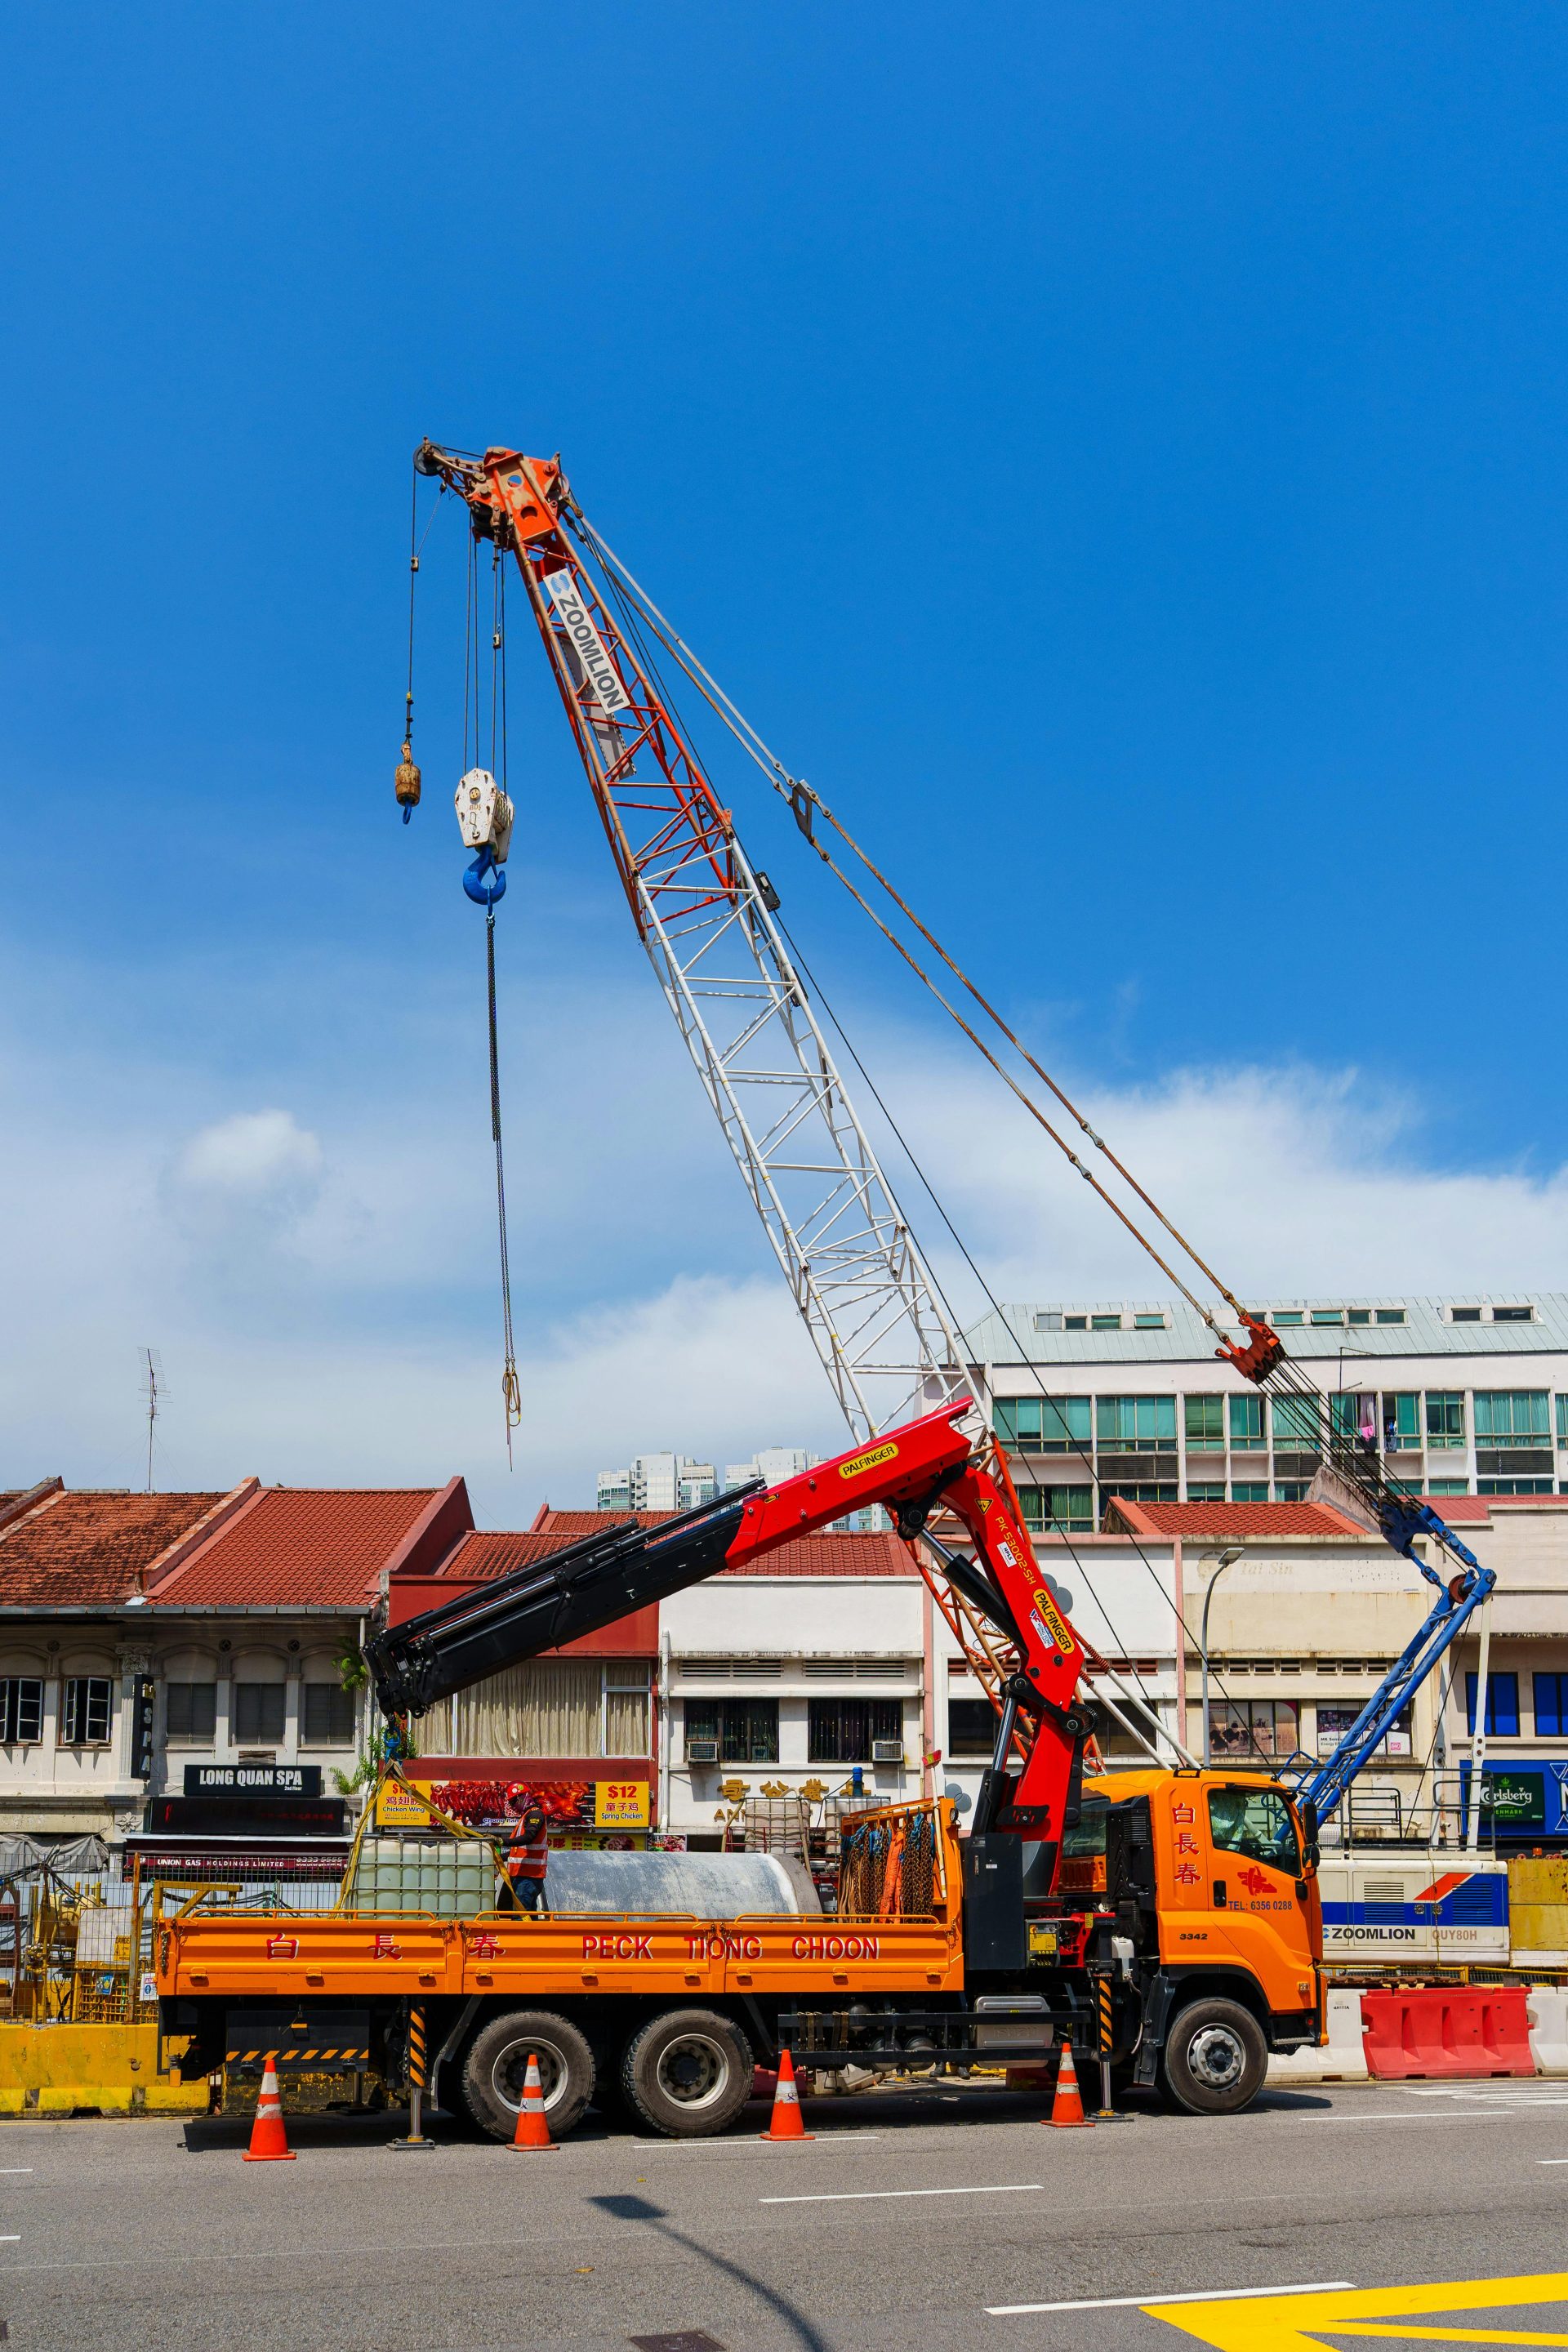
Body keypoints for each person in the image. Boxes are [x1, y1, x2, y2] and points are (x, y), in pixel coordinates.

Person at [502, 1796, 550, 1913]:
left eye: (514, 1802)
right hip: (522, 1875)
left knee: (521, 1916)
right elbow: (516, 1852)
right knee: (526, 1915)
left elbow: (529, 1837)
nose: (513, 1806)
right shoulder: (526, 1816)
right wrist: (497, 1857)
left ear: (522, 1798)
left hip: (529, 1876)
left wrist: (504, 1841)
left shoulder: (535, 1814)